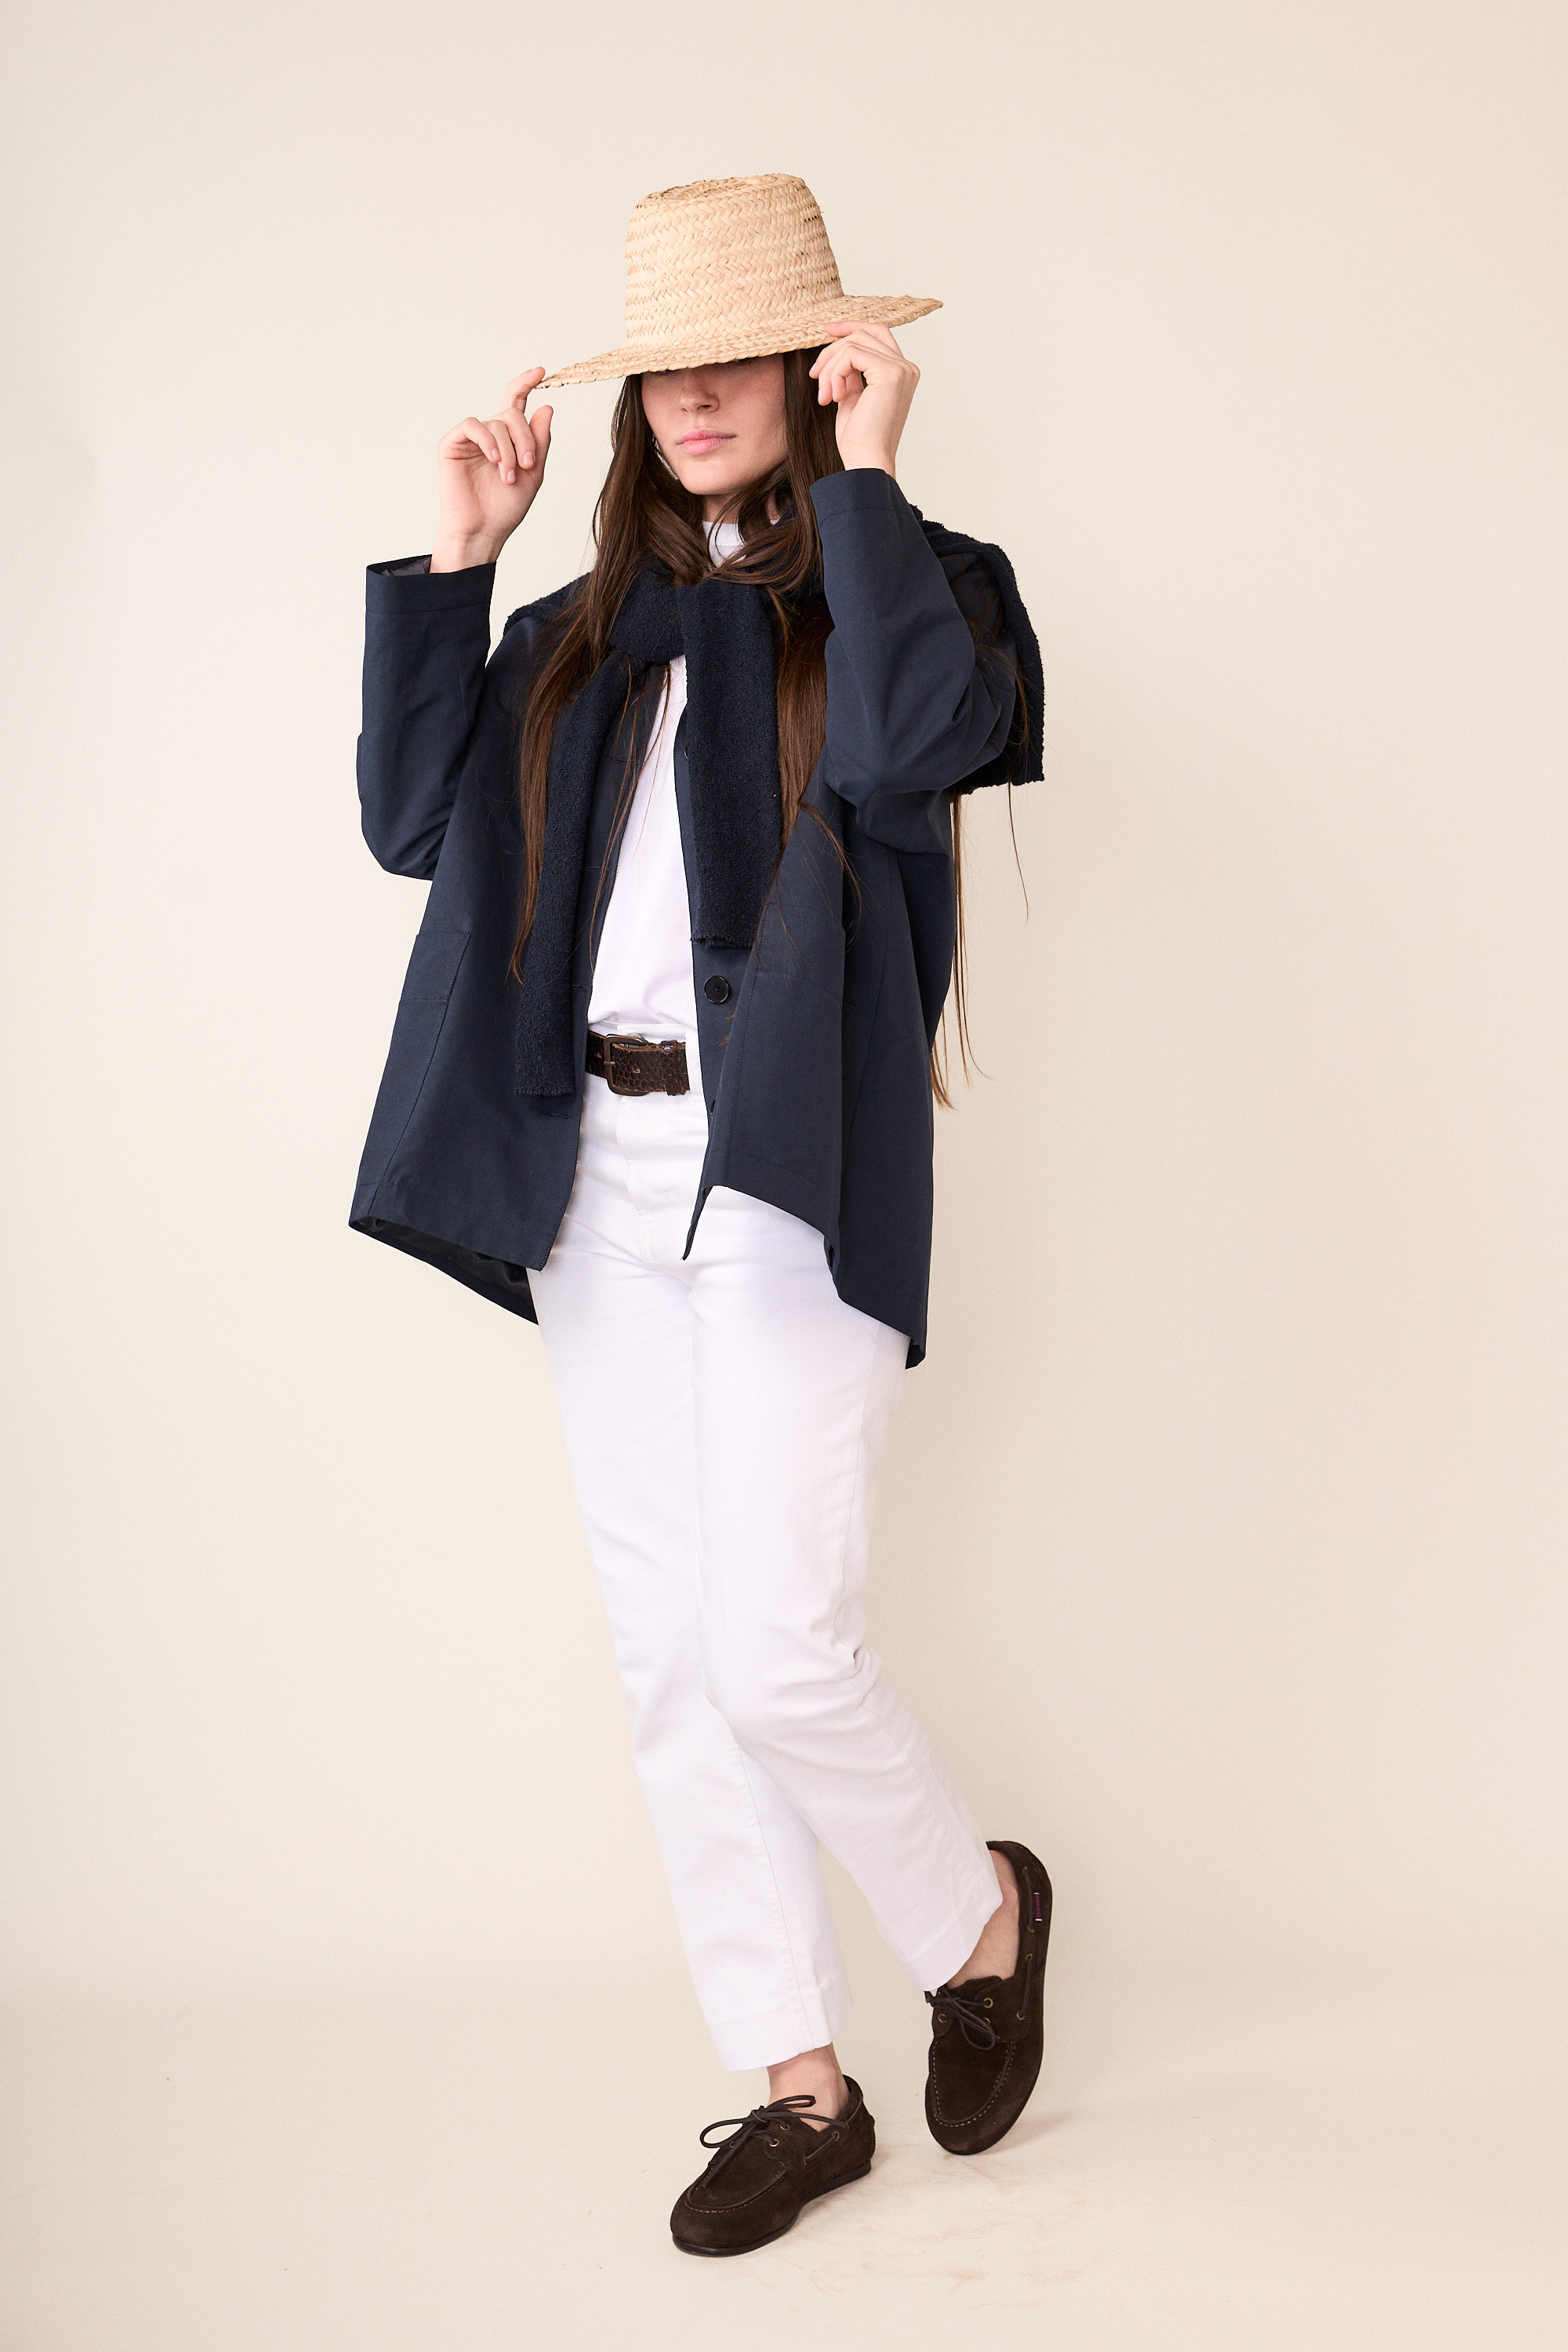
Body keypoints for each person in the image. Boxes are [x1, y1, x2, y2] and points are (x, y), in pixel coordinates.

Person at [350, 174, 1051, 2256]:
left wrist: (872, 476)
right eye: (669, 365)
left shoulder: (919, 587)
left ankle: (978, 1921)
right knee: (673, 1658)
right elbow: (408, 820)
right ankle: (795, 2084)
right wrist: (461, 561)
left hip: (790, 1169)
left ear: (816, 367)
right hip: (597, 1176)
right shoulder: (578, 636)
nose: (700, 393)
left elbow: (920, 744)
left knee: (777, 1651)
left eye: (745, 354)